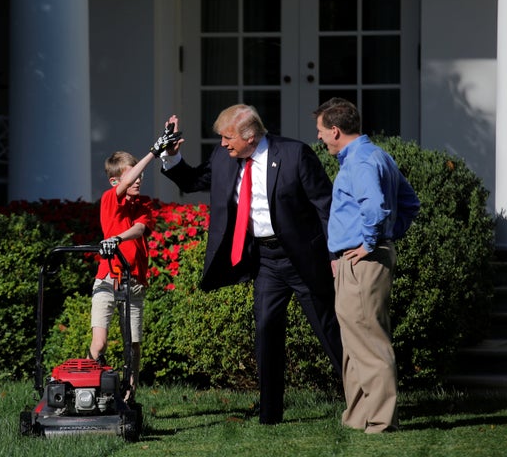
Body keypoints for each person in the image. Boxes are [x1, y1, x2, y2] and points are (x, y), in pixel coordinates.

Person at [158, 105, 343, 425]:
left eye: (228, 137)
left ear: (251, 136)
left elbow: (325, 206)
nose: (223, 144)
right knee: (266, 331)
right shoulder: (223, 157)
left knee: (329, 330)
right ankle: (270, 414)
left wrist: (334, 255)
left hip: (303, 257)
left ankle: (364, 398)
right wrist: (171, 156)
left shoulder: (294, 154)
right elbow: (192, 181)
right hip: (266, 260)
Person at [313, 97, 420, 434]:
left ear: (335, 130)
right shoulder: (376, 155)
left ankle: (381, 420)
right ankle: (359, 415)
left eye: (320, 131)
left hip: (363, 261)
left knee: (369, 341)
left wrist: (370, 243)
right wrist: (387, 237)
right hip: (363, 258)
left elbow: (373, 206)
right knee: (356, 339)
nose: (318, 138)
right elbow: (410, 203)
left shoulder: (359, 162)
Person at [88, 122, 181, 403]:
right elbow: (127, 182)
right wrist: (153, 152)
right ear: (115, 182)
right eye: (132, 176)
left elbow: (140, 229)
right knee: (100, 341)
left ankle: (128, 397)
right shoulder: (109, 199)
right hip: (106, 279)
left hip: (134, 281)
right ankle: (90, 389)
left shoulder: (143, 206)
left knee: (133, 345)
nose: (138, 180)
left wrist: (118, 238)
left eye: (139, 175)